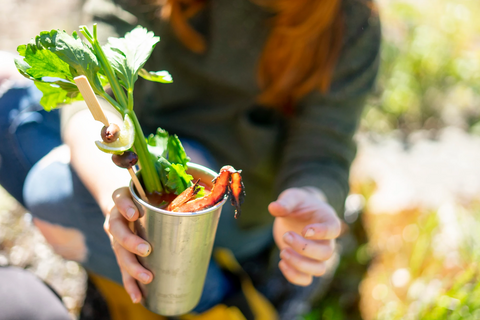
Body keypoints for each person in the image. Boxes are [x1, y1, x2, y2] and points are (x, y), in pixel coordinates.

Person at [0, 0, 381, 318]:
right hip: (134, 166)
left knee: (51, 193)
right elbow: (91, 100)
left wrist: (310, 200)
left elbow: (322, 148)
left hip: (236, 207)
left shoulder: (345, 21)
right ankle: (165, 274)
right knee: (8, 113)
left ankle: (222, 301)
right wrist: (114, 197)